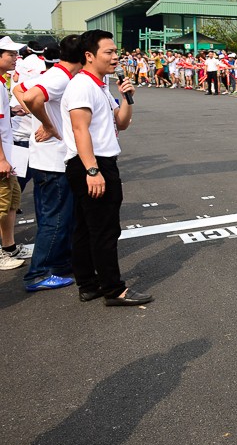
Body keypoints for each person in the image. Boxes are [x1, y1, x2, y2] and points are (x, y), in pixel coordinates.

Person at [61, 30, 149, 305]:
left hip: (95, 161)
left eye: (115, 52)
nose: (115, 57)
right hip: (92, 162)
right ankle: (114, 289)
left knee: (88, 228)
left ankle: (88, 284)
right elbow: (79, 129)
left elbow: (120, 123)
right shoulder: (82, 86)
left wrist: (127, 98)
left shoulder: (99, 85)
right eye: (108, 52)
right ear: (89, 56)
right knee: (104, 229)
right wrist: (92, 170)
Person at [12, 35, 84, 290]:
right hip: (54, 160)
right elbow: (31, 97)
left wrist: (40, 119)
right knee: (56, 218)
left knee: (58, 216)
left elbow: (18, 89)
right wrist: (47, 123)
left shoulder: (55, 73)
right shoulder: (60, 77)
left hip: (48, 158)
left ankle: (59, 263)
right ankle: (38, 273)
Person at [0, 38, 28, 272]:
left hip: (9, 155)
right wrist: (1, 159)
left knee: (11, 202)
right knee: (1, 205)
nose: (15, 58)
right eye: (10, 54)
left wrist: (11, 110)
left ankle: (9, 247)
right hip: (3, 157)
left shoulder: (3, 82)